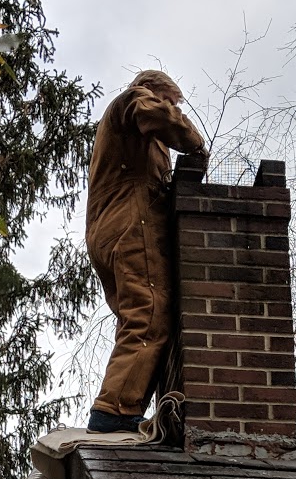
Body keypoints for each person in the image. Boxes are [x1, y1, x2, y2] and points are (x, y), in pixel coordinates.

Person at [84, 70, 207, 433]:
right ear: (152, 88)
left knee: (138, 315)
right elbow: (152, 112)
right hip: (129, 223)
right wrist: (196, 144)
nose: (173, 108)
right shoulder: (133, 100)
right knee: (149, 313)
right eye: (170, 100)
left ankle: (125, 406)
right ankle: (113, 411)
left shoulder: (134, 138)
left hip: (112, 228)